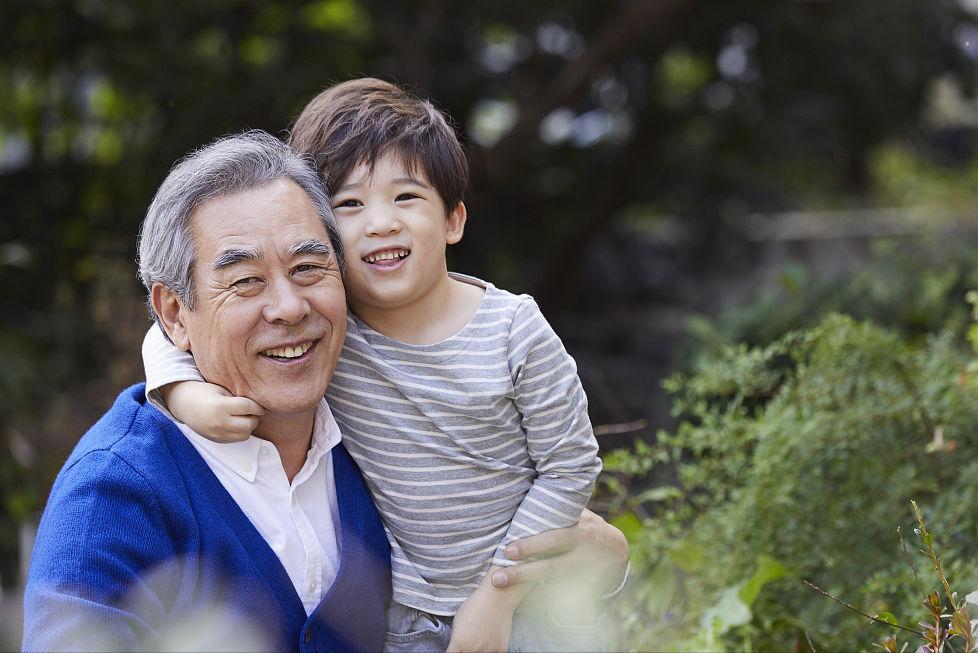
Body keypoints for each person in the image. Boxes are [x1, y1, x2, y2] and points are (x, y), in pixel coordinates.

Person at [23, 129, 629, 653]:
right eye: (245, 281)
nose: (289, 308)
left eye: (309, 268)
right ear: (175, 314)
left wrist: (598, 566)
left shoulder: (365, 428)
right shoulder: (115, 497)